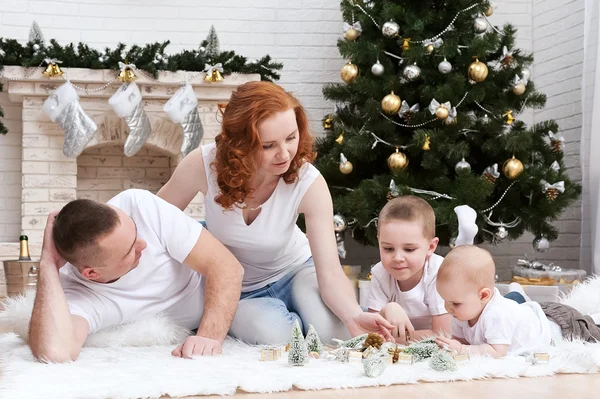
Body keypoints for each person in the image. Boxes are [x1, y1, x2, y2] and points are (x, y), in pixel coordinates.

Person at [157, 81, 394, 345]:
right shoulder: (202, 166)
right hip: (241, 291)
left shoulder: (308, 182)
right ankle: (293, 323)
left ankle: (313, 318)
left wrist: (352, 316)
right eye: (268, 145)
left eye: (291, 138)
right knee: (280, 338)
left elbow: (329, 272)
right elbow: (152, 219)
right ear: (240, 145)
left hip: (297, 271)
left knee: (332, 336)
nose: (285, 154)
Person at [28, 189, 244, 363]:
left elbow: (228, 268)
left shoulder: (139, 206)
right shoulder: (78, 295)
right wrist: (47, 263)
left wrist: (207, 338)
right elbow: (56, 352)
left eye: (136, 232)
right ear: (92, 273)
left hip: (230, 280)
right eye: (130, 249)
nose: (143, 244)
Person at [433, 246, 600, 358]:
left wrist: (463, 350)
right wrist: (452, 346)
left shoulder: (496, 315)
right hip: (532, 314)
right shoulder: (460, 313)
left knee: (592, 329)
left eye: (455, 303)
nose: (448, 308)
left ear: (483, 296)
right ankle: (518, 297)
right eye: (445, 300)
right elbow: (460, 340)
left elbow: (497, 352)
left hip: (559, 328)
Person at [365, 196, 452, 344]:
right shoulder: (380, 273)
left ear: (431, 247)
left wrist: (398, 338)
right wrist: (389, 308)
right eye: (388, 248)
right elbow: (373, 331)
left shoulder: (437, 272)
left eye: (409, 249)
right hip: (408, 341)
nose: (398, 257)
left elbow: (443, 335)